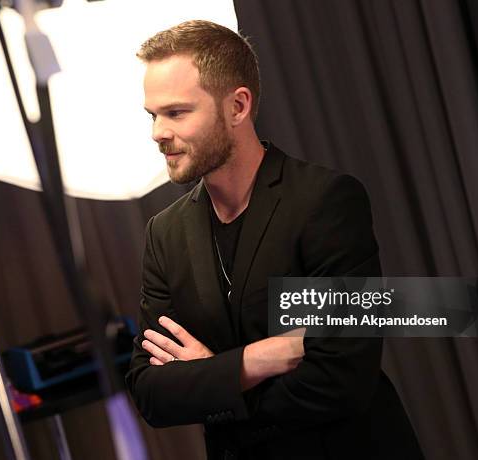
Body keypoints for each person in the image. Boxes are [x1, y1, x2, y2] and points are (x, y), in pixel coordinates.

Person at [126, 20, 423, 460]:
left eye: (176, 112)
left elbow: (340, 378)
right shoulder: (164, 233)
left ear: (238, 106)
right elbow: (152, 392)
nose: (157, 133)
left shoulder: (323, 201)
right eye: (153, 115)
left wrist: (214, 381)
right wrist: (256, 360)